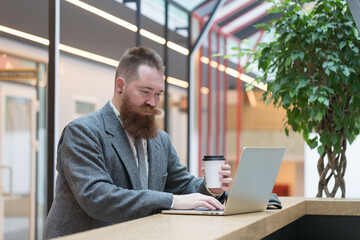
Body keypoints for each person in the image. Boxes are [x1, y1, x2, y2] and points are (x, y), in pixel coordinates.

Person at [43, 46, 232, 239]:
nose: (153, 102)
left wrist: (211, 188)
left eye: (158, 93)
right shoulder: (83, 132)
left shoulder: (160, 139)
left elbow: (182, 185)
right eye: (145, 91)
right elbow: (96, 197)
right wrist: (172, 201)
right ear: (120, 86)